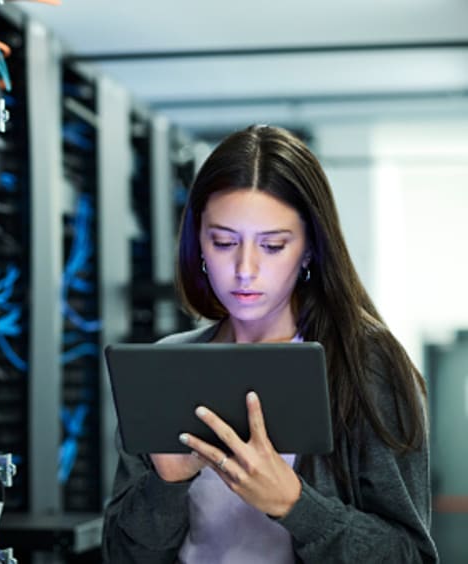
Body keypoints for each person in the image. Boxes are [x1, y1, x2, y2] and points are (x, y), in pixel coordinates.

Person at [102, 125, 438, 563]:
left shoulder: (367, 366)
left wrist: (295, 505)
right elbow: (121, 555)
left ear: (311, 249)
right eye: (223, 242)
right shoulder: (169, 365)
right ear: (198, 242)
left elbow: (409, 556)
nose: (245, 269)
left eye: (273, 245)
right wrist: (165, 486)